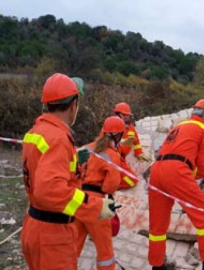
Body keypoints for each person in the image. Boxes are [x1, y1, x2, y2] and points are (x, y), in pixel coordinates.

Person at [21, 73, 115, 270]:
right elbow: (50, 190)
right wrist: (97, 207)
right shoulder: (58, 138)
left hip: (34, 226)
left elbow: (41, 175)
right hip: (52, 235)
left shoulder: (36, 132)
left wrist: (75, 166)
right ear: (74, 104)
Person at [148, 99, 204, 270]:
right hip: (176, 170)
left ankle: (157, 265)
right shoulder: (203, 129)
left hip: (156, 170)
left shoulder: (177, 127)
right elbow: (202, 163)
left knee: (158, 224)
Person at [75, 116, 125, 270]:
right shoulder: (112, 155)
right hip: (98, 203)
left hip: (77, 199)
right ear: (118, 136)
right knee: (105, 252)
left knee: (72, 246)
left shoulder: (85, 148)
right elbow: (110, 186)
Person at [113, 102, 151, 189]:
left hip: (121, 160)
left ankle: (113, 185)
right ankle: (109, 185)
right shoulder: (111, 125)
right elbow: (104, 142)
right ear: (118, 114)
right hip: (111, 158)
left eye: (128, 115)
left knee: (132, 180)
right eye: (124, 115)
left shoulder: (130, 128)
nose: (127, 117)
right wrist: (121, 143)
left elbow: (136, 141)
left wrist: (139, 153)